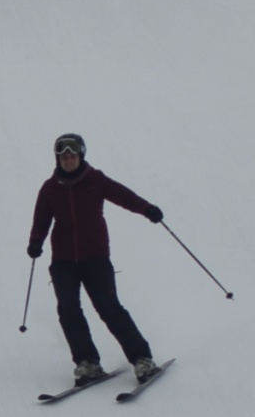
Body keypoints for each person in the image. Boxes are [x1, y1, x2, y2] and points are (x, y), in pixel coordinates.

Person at [27, 133, 164, 384]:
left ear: (81, 156)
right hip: (63, 261)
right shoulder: (49, 189)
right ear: (58, 159)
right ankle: (87, 363)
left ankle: (142, 359)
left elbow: (124, 196)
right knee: (68, 310)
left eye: (72, 156)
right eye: (64, 157)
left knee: (109, 308)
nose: (68, 160)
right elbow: (41, 220)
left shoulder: (95, 180)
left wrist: (147, 209)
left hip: (95, 258)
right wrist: (36, 241)